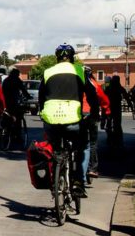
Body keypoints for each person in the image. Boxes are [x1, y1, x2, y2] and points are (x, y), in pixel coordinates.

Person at [39, 44, 94, 198]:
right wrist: (94, 113)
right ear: (72, 56)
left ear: (57, 57)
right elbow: (91, 94)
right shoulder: (79, 70)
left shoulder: (48, 71)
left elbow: (41, 96)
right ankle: (79, 182)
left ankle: (54, 178)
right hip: (73, 119)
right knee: (83, 147)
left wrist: (41, 111)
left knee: (53, 149)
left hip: (50, 119)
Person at [82, 67, 109, 184]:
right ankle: (92, 168)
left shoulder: (74, 83)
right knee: (92, 143)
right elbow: (104, 100)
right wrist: (107, 111)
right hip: (91, 116)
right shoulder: (93, 84)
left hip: (76, 115)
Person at [106, 75, 132, 147]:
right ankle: (118, 138)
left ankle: (110, 135)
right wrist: (130, 105)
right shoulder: (120, 88)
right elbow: (126, 96)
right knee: (117, 124)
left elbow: (126, 96)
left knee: (110, 122)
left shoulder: (109, 88)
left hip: (110, 108)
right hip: (116, 108)